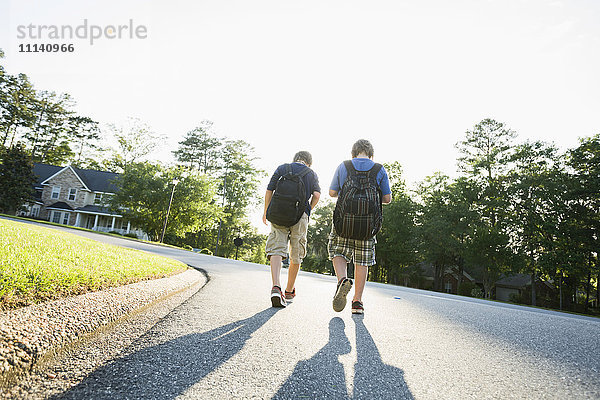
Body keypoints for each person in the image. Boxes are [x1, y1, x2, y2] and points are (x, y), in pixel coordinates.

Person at [328, 139, 392, 314]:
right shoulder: (379, 169)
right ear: (371, 153)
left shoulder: (344, 166)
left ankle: (342, 280)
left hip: (344, 222)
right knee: (362, 261)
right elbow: (387, 199)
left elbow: (332, 192)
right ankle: (357, 302)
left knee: (338, 252)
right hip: (368, 226)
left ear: (354, 152)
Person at [263, 151, 321, 307]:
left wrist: (265, 211)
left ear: (295, 159)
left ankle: (276, 286)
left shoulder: (282, 168)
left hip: (278, 212)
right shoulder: (311, 173)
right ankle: (289, 291)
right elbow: (316, 194)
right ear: (309, 162)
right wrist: (308, 209)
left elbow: (269, 190)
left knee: (276, 247)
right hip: (300, 215)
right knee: (296, 252)